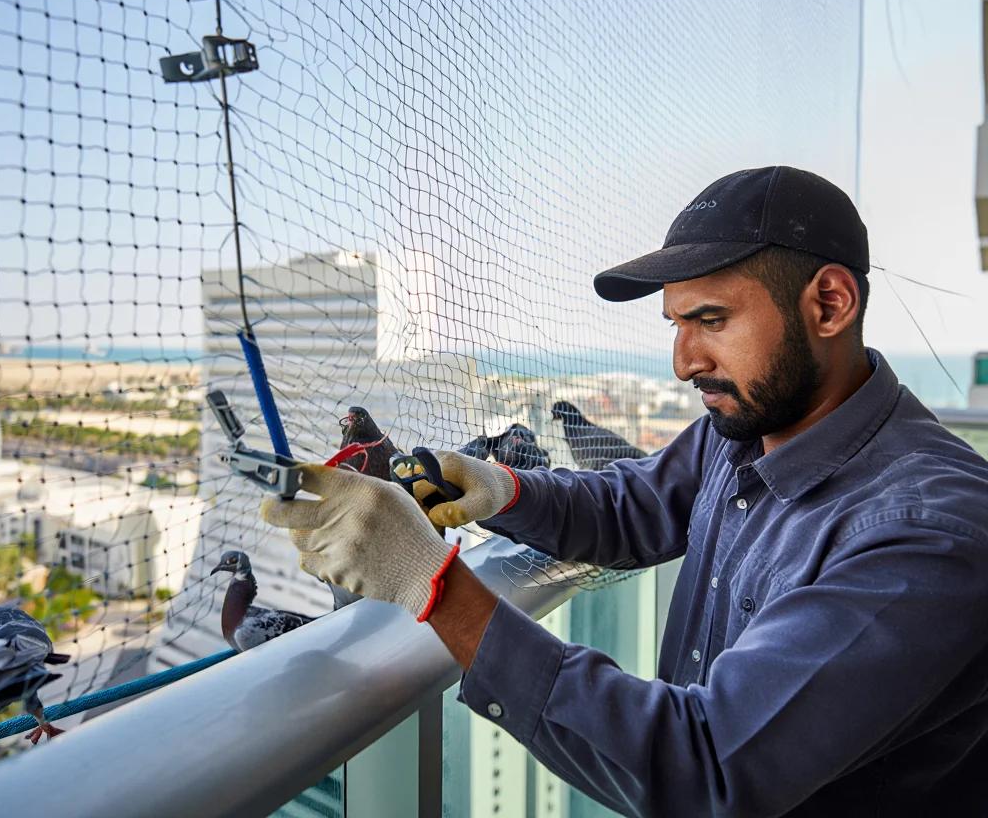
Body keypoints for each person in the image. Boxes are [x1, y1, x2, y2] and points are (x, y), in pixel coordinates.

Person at [262, 166, 988, 817]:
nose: (682, 361)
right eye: (676, 324)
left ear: (829, 305)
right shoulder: (746, 427)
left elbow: (707, 770)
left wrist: (430, 583)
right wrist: (500, 488)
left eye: (711, 320)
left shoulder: (930, 535)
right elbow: (634, 507)